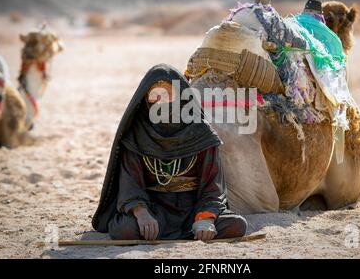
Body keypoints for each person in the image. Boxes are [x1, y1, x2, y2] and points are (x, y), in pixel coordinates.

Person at [92, 64, 247, 241]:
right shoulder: (136, 135)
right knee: (124, 230)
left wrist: (205, 218)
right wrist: (141, 213)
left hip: (194, 211)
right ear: (145, 99)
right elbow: (130, 184)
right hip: (154, 212)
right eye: (154, 96)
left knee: (236, 225)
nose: (161, 102)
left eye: (167, 95)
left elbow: (213, 186)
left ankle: (200, 227)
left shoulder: (202, 133)